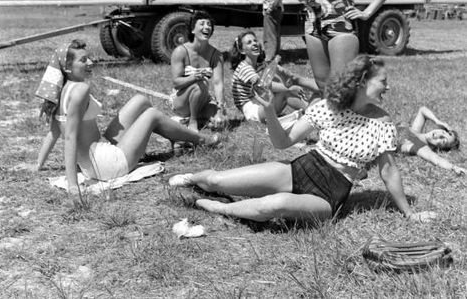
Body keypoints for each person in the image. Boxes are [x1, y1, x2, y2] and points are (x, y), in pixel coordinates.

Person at [169, 55, 435, 223]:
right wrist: (271, 111)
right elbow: (283, 142)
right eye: (382, 82)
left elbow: (389, 172)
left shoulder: (383, 123)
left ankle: (220, 208)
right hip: (299, 169)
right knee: (215, 179)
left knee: (275, 205)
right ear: (362, 82)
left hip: (331, 192)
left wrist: (410, 214)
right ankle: (195, 179)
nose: (387, 87)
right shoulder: (328, 107)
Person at [35, 39, 221, 205]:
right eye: (83, 60)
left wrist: (38, 165)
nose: (91, 62)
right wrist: (73, 186)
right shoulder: (81, 90)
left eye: (89, 58)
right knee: (152, 114)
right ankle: (201, 140)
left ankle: (177, 138)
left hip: (97, 155)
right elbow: (69, 138)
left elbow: (53, 133)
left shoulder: (61, 91)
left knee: (140, 101)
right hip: (106, 165)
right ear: (67, 68)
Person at [230, 30, 319, 123]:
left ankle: (311, 110)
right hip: (252, 111)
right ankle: (313, 114)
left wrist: (279, 70)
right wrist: (290, 88)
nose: (254, 44)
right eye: (249, 42)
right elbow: (263, 85)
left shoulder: (259, 64)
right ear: (242, 50)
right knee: (285, 92)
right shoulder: (244, 68)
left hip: (261, 103)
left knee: (283, 86)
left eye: (255, 41)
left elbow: (274, 77)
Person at [170, 11, 227, 132]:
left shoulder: (216, 55)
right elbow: (176, 83)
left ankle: (197, 120)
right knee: (199, 85)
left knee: (221, 121)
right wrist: (195, 77)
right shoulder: (180, 51)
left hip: (203, 99)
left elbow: (218, 84)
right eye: (202, 24)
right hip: (181, 101)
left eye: (209, 24)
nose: (207, 27)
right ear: (192, 30)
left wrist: (220, 109)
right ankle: (193, 121)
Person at [397, 106, 465, 175]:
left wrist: (454, 167)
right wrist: (437, 121)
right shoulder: (415, 130)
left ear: (439, 148)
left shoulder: (419, 147)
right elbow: (422, 110)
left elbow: (435, 159)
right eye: (443, 132)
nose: (439, 135)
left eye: (443, 140)